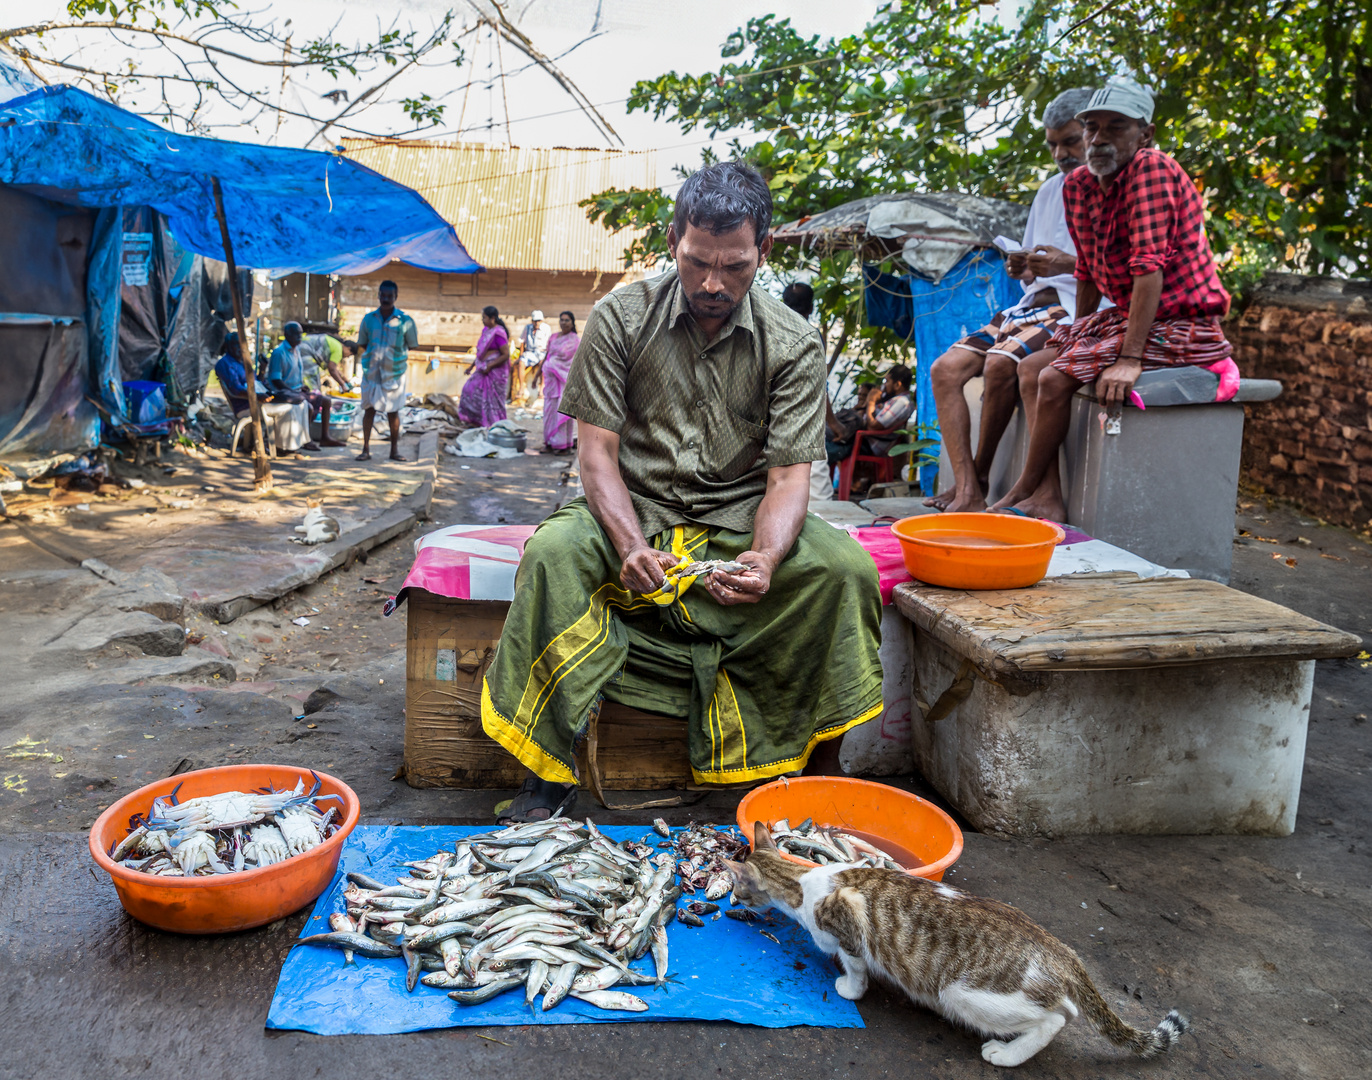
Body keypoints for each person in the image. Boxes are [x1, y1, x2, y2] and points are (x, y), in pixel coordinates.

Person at [482, 161, 884, 822]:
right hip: (632, 508)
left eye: (735, 267)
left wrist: (767, 557)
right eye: (698, 262)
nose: (713, 283)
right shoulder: (619, 317)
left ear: (765, 251)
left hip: (739, 518)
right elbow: (597, 453)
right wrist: (631, 545)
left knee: (844, 571)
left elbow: (788, 478)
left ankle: (818, 767)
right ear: (673, 240)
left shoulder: (793, 341)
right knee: (553, 555)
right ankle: (545, 771)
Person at [991, 78, 1235, 520]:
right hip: (1127, 316)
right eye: (1091, 127)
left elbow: (1148, 271)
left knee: (1054, 377)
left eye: (1115, 127)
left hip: (1183, 322)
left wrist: (1129, 360)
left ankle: (1024, 490)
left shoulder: (1152, 170)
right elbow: (1087, 269)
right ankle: (1044, 496)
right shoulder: (1078, 185)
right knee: (1032, 365)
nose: (1098, 138)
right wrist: (1076, 334)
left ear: (1146, 134)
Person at [924, 87, 1098, 513]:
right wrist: (1021, 267)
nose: (1061, 153)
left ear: (1092, 134)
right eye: (1053, 144)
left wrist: (1060, 265)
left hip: (1070, 308)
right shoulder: (1050, 190)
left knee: (1004, 364)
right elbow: (1038, 262)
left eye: (1070, 141)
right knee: (945, 370)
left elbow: (1109, 271)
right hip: (1030, 306)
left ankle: (985, 483)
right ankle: (968, 486)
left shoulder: (1107, 188)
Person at [214, 332, 310, 454]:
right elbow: (235, 389)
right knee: (289, 409)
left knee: (301, 404)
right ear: (228, 346)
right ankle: (281, 447)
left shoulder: (243, 361)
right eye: (236, 345)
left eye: (242, 345)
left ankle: (294, 444)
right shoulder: (224, 363)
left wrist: (263, 369)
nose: (240, 348)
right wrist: (257, 396)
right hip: (246, 404)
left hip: (258, 398)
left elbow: (258, 382)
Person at [781, 282, 833, 503]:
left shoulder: (767, 329)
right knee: (816, 488)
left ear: (783, 304)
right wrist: (836, 424)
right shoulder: (811, 335)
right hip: (805, 417)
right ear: (811, 308)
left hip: (770, 417)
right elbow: (818, 387)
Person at [356, 280, 417, 462]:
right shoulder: (368, 319)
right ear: (379, 296)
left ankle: (394, 451)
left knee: (393, 412)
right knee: (369, 411)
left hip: (394, 373)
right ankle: (365, 449)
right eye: (383, 295)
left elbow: (412, 345)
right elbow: (362, 344)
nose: (386, 299)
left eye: (390, 296)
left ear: (395, 297)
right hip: (371, 373)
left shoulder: (406, 321)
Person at [265, 322, 346, 449]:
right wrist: (292, 391)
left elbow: (294, 375)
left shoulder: (296, 350)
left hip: (296, 390)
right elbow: (276, 380)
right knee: (307, 406)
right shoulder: (279, 352)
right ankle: (306, 440)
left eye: (300, 333)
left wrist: (301, 386)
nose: (299, 336)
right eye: (296, 334)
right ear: (287, 335)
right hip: (283, 393)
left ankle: (325, 437)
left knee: (326, 401)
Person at [459, 306, 511, 428]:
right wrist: (471, 367)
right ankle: (476, 421)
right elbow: (480, 353)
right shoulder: (486, 331)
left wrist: (490, 365)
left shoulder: (498, 333)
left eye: (484, 317)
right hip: (482, 369)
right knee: (469, 391)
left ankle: (494, 424)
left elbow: (505, 354)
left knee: (493, 401)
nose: (482, 320)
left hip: (495, 373)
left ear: (492, 318)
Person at [538, 310, 579, 454]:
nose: (564, 322)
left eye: (567, 320)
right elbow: (547, 356)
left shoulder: (574, 340)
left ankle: (563, 446)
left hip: (564, 382)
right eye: (562, 319)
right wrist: (538, 374)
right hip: (551, 382)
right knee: (549, 411)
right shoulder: (554, 337)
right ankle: (549, 442)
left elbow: (574, 362)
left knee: (562, 412)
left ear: (572, 322)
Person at [513, 309, 550, 408]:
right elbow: (522, 342)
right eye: (535, 321)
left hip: (541, 352)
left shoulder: (546, 328)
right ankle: (521, 388)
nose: (537, 323)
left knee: (544, 364)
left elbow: (549, 344)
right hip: (530, 353)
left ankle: (541, 388)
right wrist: (521, 355)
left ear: (541, 321)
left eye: (539, 320)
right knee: (521, 362)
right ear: (532, 321)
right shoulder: (528, 328)